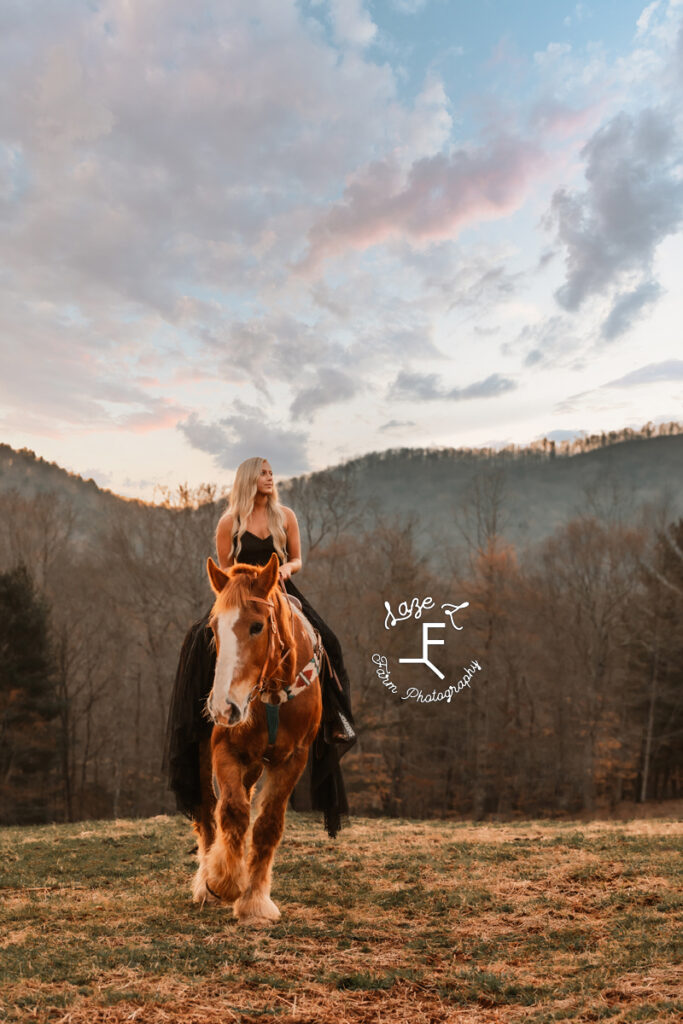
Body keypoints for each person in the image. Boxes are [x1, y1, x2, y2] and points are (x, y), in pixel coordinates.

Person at [164, 456, 356, 838]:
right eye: (264, 473)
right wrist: (240, 590)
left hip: (278, 590)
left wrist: (287, 568)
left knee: (328, 640)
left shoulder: (285, 516)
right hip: (239, 598)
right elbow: (225, 572)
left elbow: (298, 557)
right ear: (250, 479)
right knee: (200, 641)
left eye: (272, 473)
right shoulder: (227, 522)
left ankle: (335, 719)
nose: (271, 478)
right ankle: (199, 715)